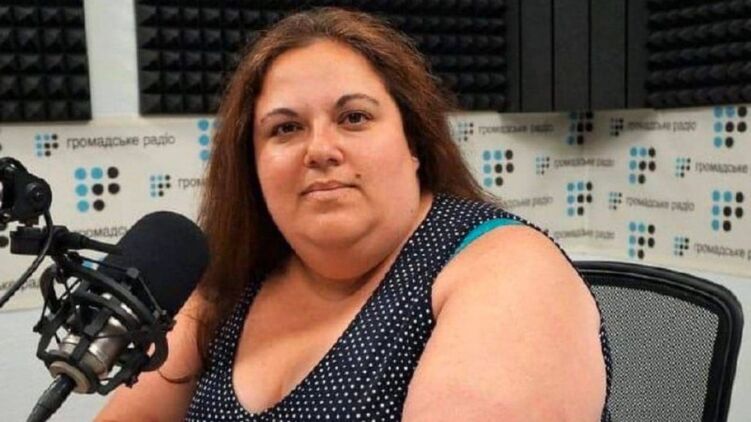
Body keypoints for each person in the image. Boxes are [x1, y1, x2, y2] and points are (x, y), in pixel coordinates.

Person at [97, 7, 610, 421]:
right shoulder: (229, 287)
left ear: (414, 143)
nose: (320, 150)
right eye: (285, 128)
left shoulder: (509, 270)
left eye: (354, 117)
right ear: (251, 165)